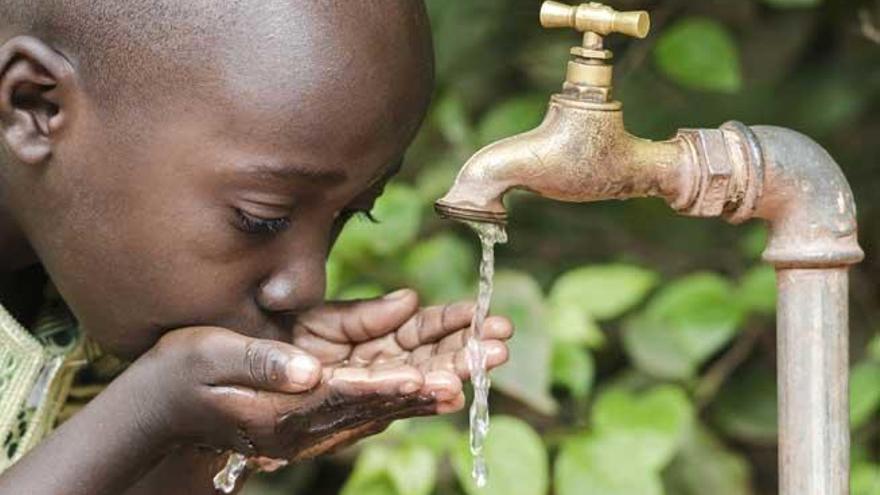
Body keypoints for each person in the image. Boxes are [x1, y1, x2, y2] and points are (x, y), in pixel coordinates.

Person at [0, 1, 513, 493]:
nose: (308, 285)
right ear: (35, 105)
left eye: (354, 212)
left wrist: (204, 430)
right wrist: (145, 412)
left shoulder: (98, 296)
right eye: (260, 217)